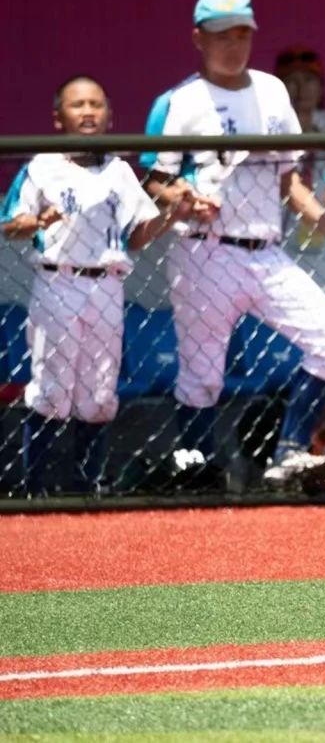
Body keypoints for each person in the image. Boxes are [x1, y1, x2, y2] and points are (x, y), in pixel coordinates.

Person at [141, 0, 325, 489]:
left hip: (266, 250)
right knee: (202, 376)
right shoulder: (178, 102)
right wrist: (181, 194)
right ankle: (196, 472)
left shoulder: (271, 90)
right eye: (222, 34)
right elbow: (153, 176)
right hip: (205, 250)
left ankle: (289, 450)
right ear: (198, 38)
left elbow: (290, 179)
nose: (233, 43)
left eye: (242, 32)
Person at [1, 76, 194, 496]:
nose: (87, 111)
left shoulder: (120, 171)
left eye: (96, 104)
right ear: (58, 118)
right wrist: (37, 222)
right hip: (59, 281)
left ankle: (87, 485)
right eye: (77, 104)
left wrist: (172, 211)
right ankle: (36, 489)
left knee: (99, 393)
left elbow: (137, 235)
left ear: (108, 116)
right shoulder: (41, 166)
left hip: (106, 285)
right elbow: (9, 224)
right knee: (52, 391)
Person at [275, 45, 325, 188]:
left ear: (321, 87)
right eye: (292, 81)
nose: (301, 87)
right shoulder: (272, 124)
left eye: (309, 80)